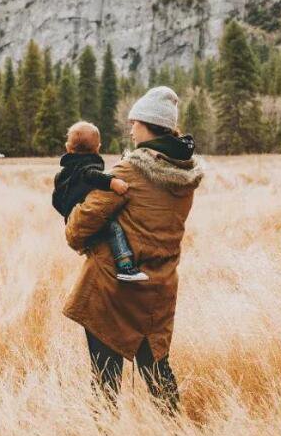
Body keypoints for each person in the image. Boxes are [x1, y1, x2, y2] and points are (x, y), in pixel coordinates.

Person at [62, 86, 203, 414]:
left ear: (150, 125)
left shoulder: (129, 171)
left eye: (135, 122)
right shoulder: (184, 173)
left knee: (105, 382)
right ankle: (173, 431)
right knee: (157, 372)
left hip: (113, 289)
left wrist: (74, 220)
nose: (130, 129)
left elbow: (80, 226)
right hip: (159, 287)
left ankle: (103, 431)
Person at [52, 121, 149, 282]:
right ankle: (125, 266)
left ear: (68, 148)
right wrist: (113, 183)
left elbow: (55, 200)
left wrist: (68, 211)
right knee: (114, 228)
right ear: (98, 148)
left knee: (101, 241)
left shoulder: (62, 174)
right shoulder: (87, 167)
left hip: (72, 220)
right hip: (84, 216)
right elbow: (92, 175)